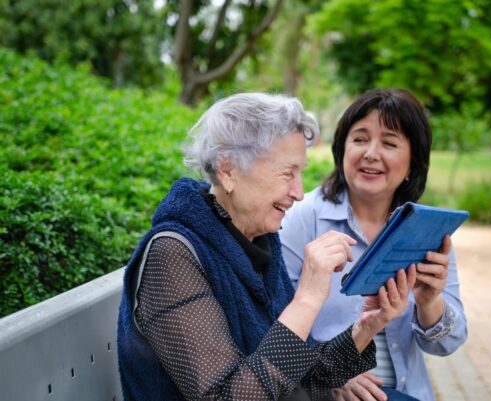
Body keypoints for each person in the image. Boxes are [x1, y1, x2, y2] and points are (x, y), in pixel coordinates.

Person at [116, 93, 418, 401]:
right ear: (227, 170)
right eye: (287, 173)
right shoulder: (172, 256)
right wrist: (307, 298)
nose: (299, 192)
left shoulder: (257, 240)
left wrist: (365, 328)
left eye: (300, 173)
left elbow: (302, 377)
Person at [279, 88, 468, 401]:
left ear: (413, 162)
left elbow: (447, 343)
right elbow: (273, 327)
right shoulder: (301, 217)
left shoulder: (426, 230)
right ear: (342, 149)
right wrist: (329, 372)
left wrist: (428, 301)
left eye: (390, 143)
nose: (370, 153)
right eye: (360, 139)